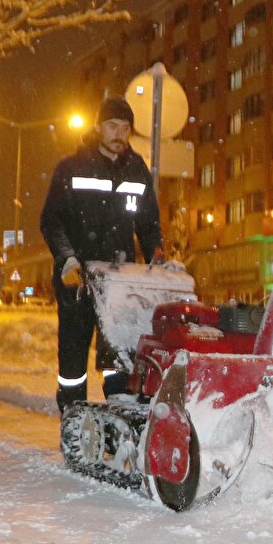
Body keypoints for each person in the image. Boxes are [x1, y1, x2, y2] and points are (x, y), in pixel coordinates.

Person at [40, 97, 162, 413]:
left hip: (120, 282)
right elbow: (51, 221)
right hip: (77, 278)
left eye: (125, 128)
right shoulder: (71, 168)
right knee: (73, 358)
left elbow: (148, 225)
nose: (119, 134)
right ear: (98, 128)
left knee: (119, 354)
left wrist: (156, 256)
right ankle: (73, 418)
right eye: (112, 126)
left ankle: (120, 419)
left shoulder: (137, 170)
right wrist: (67, 258)